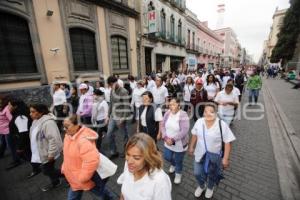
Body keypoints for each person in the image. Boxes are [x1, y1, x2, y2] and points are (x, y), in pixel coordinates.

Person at [188, 103, 236, 198]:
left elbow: (228, 142)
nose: (208, 114)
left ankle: (210, 187)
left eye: (211, 112)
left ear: (216, 112)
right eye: (205, 111)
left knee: (212, 174)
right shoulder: (199, 121)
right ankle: (202, 185)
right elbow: (195, 134)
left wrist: (225, 158)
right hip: (199, 154)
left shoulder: (221, 125)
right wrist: (191, 146)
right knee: (197, 173)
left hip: (214, 156)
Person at [62, 115, 112, 200]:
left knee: (103, 194)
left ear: (77, 125)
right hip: (75, 178)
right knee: (102, 193)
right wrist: (64, 167)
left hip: (84, 179)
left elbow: (92, 161)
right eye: (64, 127)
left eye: (67, 126)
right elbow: (67, 155)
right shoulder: (68, 137)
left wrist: (83, 177)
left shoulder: (83, 141)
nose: (65, 129)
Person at [117, 133, 172, 200]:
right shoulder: (129, 165)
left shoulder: (160, 181)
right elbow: (123, 191)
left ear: (148, 158)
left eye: (136, 158)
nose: (129, 161)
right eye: (128, 154)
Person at [29, 104, 63, 191]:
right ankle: (56, 182)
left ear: (41, 112)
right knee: (48, 169)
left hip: (48, 152)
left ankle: (68, 175)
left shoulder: (48, 123)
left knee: (46, 170)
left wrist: (51, 154)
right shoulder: (36, 120)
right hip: (42, 151)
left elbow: (53, 139)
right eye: (30, 111)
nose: (30, 114)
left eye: (33, 112)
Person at [161, 98, 190, 184]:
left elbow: (184, 131)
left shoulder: (183, 115)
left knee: (178, 160)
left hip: (179, 143)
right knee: (167, 157)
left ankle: (178, 173)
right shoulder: (167, 113)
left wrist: (173, 139)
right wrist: (165, 137)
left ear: (179, 105)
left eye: (173, 104)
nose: (171, 106)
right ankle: (173, 164)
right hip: (168, 141)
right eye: (170, 104)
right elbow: (162, 125)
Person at [106, 76, 131, 158]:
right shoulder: (111, 91)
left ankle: (126, 151)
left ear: (116, 82)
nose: (112, 86)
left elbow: (127, 107)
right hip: (113, 116)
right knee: (109, 134)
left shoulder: (124, 91)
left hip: (121, 117)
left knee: (124, 135)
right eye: (110, 85)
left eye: (113, 83)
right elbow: (111, 104)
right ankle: (113, 151)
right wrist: (108, 115)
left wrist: (123, 119)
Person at [8, 99, 32, 166]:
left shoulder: (20, 117)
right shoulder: (17, 114)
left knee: (28, 155)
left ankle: (36, 168)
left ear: (15, 106)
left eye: (9, 105)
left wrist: (20, 147)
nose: (8, 107)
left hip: (24, 141)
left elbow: (23, 133)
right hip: (24, 140)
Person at [0, 95, 21, 169]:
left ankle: (17, 160)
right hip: (2, 130)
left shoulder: (6, 109)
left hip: (8, 131)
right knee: (3, 143)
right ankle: (1, 153)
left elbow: (12, 120)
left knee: (11, 146)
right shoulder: (2, 108)